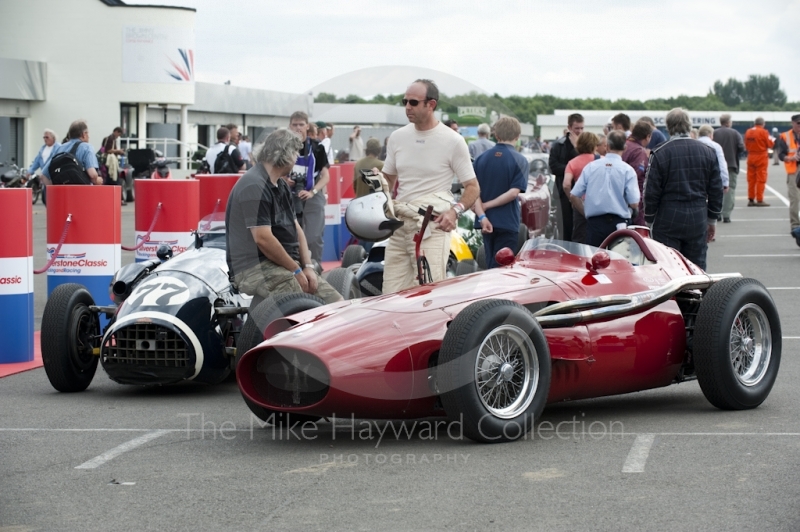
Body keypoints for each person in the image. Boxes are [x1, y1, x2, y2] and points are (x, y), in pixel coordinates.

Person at [381, 79, 479, 293]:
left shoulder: (453, 140)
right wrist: (377, 195)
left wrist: (455, 212)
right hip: (400, 224)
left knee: (426, 295)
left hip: (432, 227)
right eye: (405, 101)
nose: (407, 107)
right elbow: (387, 179)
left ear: (431, 104)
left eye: (414, 102)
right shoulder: (397, 138)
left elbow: (472, 187)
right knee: (390, 294)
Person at [225, 128, 342, 304]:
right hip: (253, 267)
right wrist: (295, 270)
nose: (296, 159)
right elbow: (263, 239)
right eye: (295, 153)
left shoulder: (281, 185)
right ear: (284, 155)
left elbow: (297, 229)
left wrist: (308, 267)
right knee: (307, 306)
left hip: (282, 265)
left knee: (337, 302)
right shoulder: (254, 185)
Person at [644, 108, 722, 271]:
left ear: (668, 126)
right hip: (698, 215)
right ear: (689, 125)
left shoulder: (659, 152)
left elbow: (651, 191)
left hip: (667, 216)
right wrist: (712, 219)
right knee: (696, 268)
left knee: (668, 267)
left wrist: (649, 220)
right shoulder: (708, 152)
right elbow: (716, 189)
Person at [472, 117, 528, 268]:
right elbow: (513, 193)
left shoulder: (480, 159)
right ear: (517, 136)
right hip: (507, 221)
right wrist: (487, 205)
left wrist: (482, 214)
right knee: (504, 268)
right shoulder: (520, 160)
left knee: (490, 263)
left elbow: (473, 192)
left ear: (496, 135)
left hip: (485, 221)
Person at [570, 131, 639, 247]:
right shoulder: (628, 170)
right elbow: (634, 203)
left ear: (607, 146)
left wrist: (585, 212)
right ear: (625, 147)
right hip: (619, 224)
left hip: (595, 223)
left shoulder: (591, 167)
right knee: (618, 260)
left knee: (594, 260)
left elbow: (574, 195)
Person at [288, 111, 329, 263]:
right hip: (289, 196)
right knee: (290, 237)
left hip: (312, 194)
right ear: (289, 126)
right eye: (294, 125)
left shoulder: (317, 148)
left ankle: (316, 268)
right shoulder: (283, 147)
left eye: (301, 124)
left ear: (307, 126)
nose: (298, 128)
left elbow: (326, 176)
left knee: (314, 237)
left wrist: (313, 192)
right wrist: (284, 179)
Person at [549, 113, 584, 241]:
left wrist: (577, 148)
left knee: (580, 228)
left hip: (581, 192)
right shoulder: (559, 145)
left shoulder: (584, 145)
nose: (579, 131)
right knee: (565, 227)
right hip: (563, 192)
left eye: (581, 128)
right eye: (577, 128)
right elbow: (553, 166)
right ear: (569, 127)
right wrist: (571, 169)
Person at [562, 131, 599, 243]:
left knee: (580, 236)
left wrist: (572, 199)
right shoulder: (602, 160)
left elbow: (566, 184)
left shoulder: (572, 163)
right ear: (594, 145)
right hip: (599, 202)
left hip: (581, 203)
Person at [42, 120, 103, 186]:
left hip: (63, 194)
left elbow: (43, 175)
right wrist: (97, 180)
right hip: (82, 193)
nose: (89, 136)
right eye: (88, 133)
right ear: (84, 134)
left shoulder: (60, 148)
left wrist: (55, 189)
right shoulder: (87, 147)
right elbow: (92, 175)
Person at [713, 114, 745, 223]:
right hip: (731, 165)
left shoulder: (714, 133)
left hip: (716, 165)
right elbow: (741, 148)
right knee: (729, 189)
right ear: (728, 122)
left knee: (716, 190)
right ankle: (726, 215)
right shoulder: (735, 133)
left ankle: (717, 213)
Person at [775, 114, 800, 243]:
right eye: (798, 123)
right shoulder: (785, 136)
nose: (799, 126)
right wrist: (790, 158)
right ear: (792, 123)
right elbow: (781, 154)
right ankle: (796, 226)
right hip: (793, 170)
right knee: (795, 199)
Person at [622, 120, 652, 226]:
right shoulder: (639, 152)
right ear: (648, 136)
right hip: (634, 202)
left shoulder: (623, 145)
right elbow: (636, 176)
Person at [744, 117, 773, 206]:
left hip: (751, 156)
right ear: (763, 124)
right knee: (761, 178)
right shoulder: (763, 132)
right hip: (761, 156)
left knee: (751, 179)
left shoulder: (748, 132)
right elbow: (770, 144)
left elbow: (745, 143)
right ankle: (760, 199)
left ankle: (751, 199)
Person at [697, 124, 730, 194]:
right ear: (710, 134)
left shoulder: (693, 145)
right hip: (712, 180)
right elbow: (722, 165)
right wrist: (725, 183)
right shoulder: (716, 146)